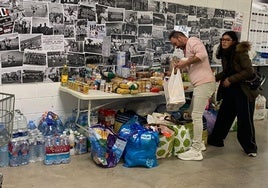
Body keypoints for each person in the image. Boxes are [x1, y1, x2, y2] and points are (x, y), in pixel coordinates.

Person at [208, 31, 259, 157]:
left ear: (234, 41)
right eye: (222, 39)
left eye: (227, 40)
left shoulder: (240, 52)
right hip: (231, 90)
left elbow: (249, 71)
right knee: (224, 115)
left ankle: (250, 148)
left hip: (244, 90)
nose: (224, 42)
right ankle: (216, 140)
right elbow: (227, 71)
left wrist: (230, 80)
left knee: (245, 120)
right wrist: (212, 78)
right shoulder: (226, 53)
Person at [169, 30, 216, 161]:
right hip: (200, 84)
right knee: (192, 113)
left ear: (180, 37)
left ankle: (196, 150)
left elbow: (202, 55)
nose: (176, 46)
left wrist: (185, 62)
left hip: (204, 83)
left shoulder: (193, 41)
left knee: (196, 116)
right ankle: (199, 144)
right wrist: (178, 66)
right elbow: (191, 64)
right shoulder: (187, 49)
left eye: (175, 43)